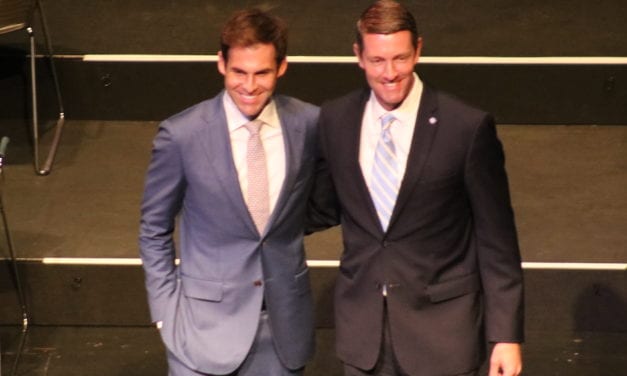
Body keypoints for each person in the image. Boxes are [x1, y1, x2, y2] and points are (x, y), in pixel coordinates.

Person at [317, 1, 524, 375]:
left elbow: (497, 242)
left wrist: (505, 337)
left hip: (443, 337)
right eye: (378, 60)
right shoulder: (335, 119)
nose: (390, 73)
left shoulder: (465, 127)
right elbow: (323, 205)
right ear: (358, 56)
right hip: (364, 338)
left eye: (400, 58)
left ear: (418, 50)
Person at [139, 8, 332, 376]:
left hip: (283, 330)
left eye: (262, 73)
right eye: (239, 72)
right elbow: (153, 229)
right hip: (200, 333)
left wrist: (286, 229)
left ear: (282, 68)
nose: (249, 85)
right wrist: (165, 313)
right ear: (221, 64)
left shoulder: (308, 124)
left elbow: (326, 201)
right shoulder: (182, 135)